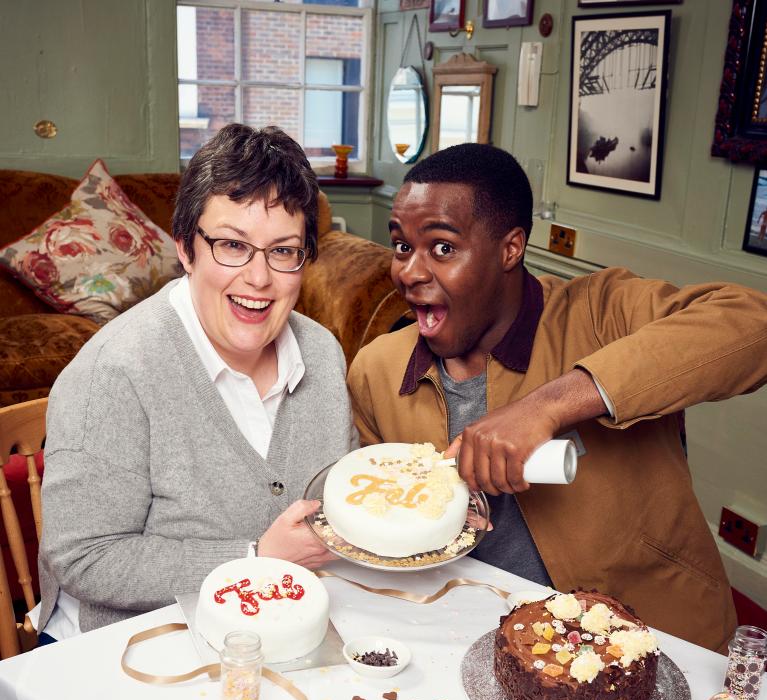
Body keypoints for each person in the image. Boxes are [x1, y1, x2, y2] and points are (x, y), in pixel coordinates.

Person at [347, 142, 767, 652]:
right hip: (470, 639)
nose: (408, 272)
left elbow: (753, 324)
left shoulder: (601, 315)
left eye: (442, 248)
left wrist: (547, 406)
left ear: (510, 248)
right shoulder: (376, 369)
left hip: (651, 640)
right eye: (401, 246)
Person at [37, 124, 355, 640]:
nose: (258, 278)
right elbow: (83, 558)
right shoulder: (114, 373)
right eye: (232, 245)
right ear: (186, 249)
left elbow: (337, 495)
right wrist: (254, 558)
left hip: (277, 626)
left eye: (283, 251)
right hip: (130, 643)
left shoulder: (321, 352)